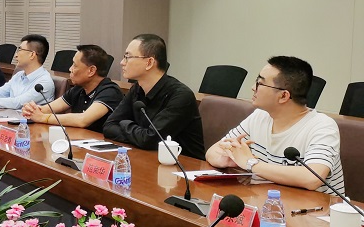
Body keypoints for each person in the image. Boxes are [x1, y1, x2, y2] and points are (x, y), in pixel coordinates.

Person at [206, 56, 343, 194]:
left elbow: (312, 178)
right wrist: (229, 160)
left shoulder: (322, 126)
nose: (253, 88)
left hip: (313, 206)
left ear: (283, 96)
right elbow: (213, 151)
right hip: (267, 202)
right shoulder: (260, 116)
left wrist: (250, 164)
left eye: (260, 83)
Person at [103, 33, 205, 159]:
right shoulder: (137, 89)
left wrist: (124, 123)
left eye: (128, 57)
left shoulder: (180, 96)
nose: (122, 62)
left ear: (149, 62)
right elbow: (109, 126)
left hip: (184, 165)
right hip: (146, 157)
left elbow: (150, 139)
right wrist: (138, 137)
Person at [22, 44, 122, 132]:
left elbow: (83, 120)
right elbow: (49, 109)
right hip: (80, 140)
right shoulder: (78, 89)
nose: (70, 69)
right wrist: (32, 110)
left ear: (91, 70)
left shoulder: (110, 91)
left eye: (75, 65)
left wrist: (43, 118)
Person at [0, 34, 54, 108]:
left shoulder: (44, 83)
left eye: (20, 50)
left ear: (32, 55)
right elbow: (0, 93)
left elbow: (17, 103)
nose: (15, 55)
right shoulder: (19, 75)